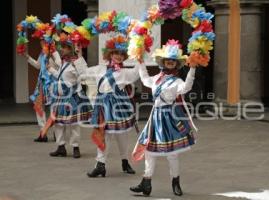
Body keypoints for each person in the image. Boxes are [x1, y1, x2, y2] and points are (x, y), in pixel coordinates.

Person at [130, 40, 198, 196]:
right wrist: (140, 63)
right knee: (149, 150)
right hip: (155, 118)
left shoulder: (178, 81)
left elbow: (186, 87)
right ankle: (146, 182)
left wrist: (192, 69)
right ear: (163, 62)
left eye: (172, 61)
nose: (169, 62)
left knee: (171, 153)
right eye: (167, 60)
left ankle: (176, 182)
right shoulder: (156, 79)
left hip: (170, 117)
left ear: (176, 64)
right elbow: (145, 79)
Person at [82, 35, 139, 177]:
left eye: (121, 54)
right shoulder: (99, 69)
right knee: (104, 135)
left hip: (119, 107)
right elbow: (83, 72)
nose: (118, 56)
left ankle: (125, 162)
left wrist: (140, 56)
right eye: (115, 53)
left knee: (122, 136)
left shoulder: (125, 72)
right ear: (110, 54)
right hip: (102, 107)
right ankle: (100, 165)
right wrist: (77, 55)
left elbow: (138, 72)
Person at [47, 33, 92, 158]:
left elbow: (84, 74)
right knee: (59, 124)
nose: (62, 49)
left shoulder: (75, 63)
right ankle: (61, 147)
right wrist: (50, 69)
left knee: (74, 124)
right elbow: (61, 76)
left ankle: (75, 147)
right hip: (60, 98)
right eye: (61, 47)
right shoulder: (63, 62)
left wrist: (79, 57)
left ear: (70, 49)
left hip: (72, 98)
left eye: (65, 47)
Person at [24, 40, 61, 142]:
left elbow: (59, 65)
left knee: (54, 109)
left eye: (43, 42)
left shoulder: (55, 53)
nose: (41, 44)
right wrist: (27, 57)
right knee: (39, 107)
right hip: (42, 84)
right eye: (40, 42)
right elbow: (38, 65)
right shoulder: (42, 53)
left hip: (52, 84)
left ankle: (56, 132)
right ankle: (43, 133)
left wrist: (52, 55)